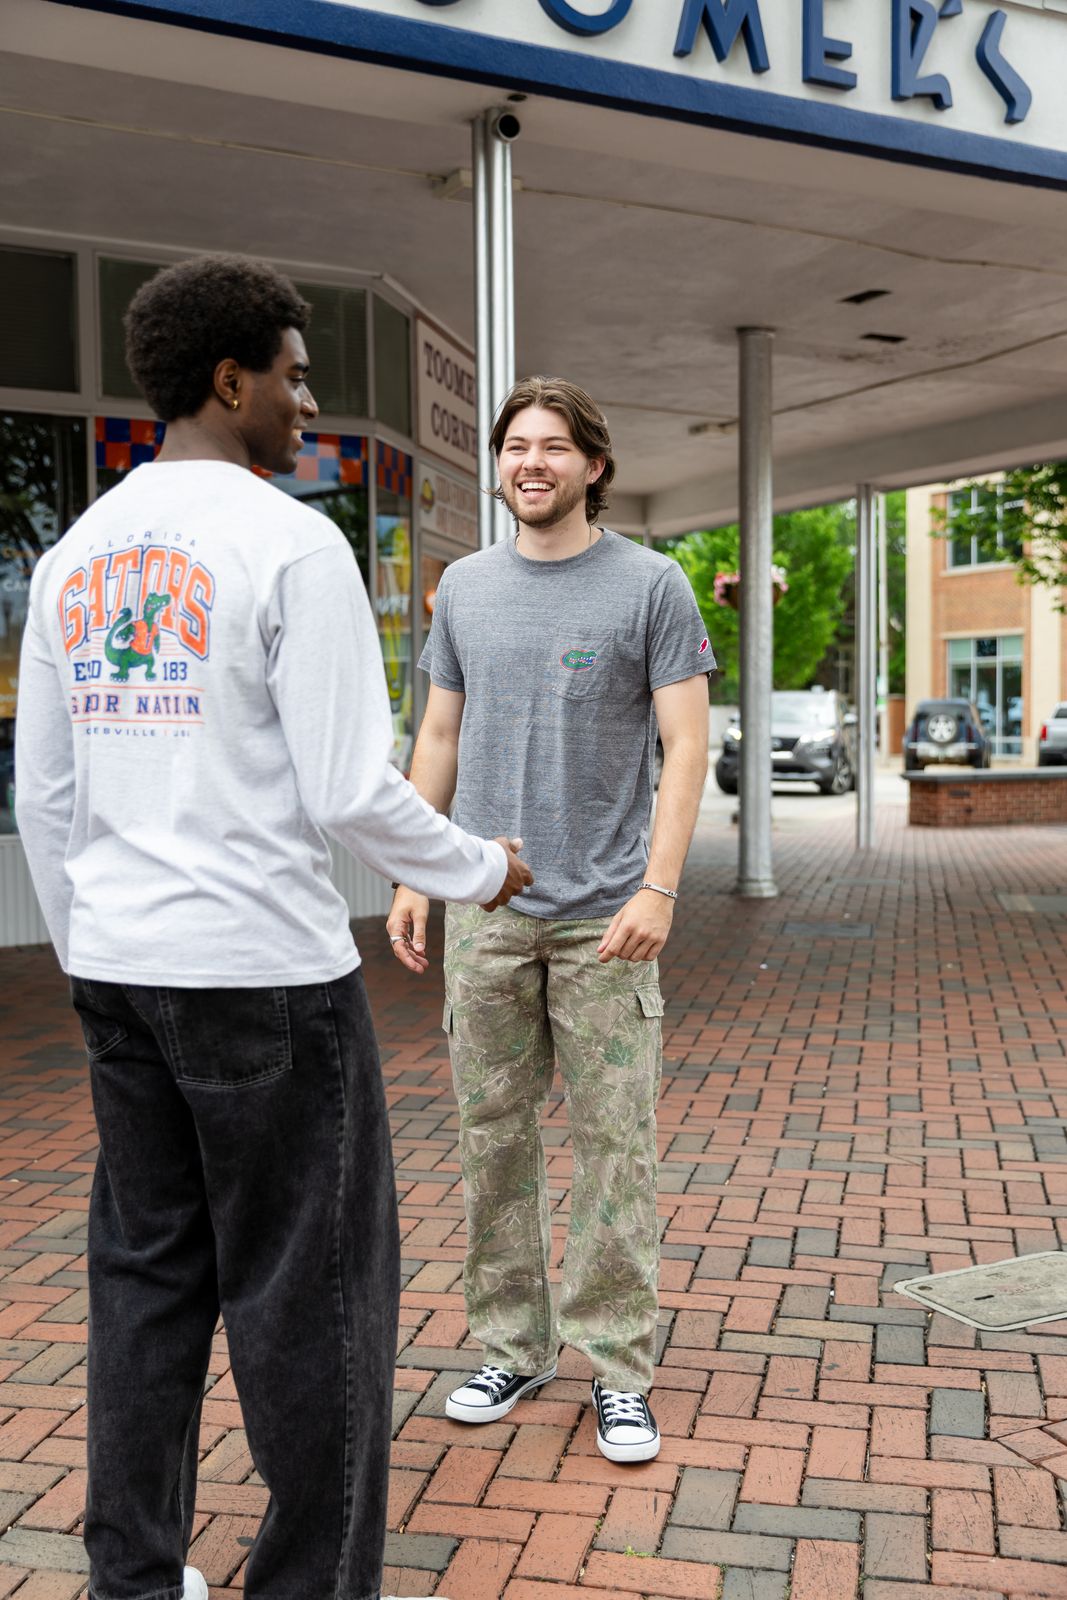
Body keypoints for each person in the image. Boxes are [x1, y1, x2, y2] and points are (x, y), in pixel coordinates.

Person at [15, 253, 532, 1600]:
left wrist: (96, 953)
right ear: (228, 379)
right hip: (261, 979)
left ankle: (134, 1576)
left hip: (125, 972)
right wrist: (481, 868)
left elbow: (47, 794)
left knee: (145, 1281)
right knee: (312, 1304)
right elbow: (349, 786)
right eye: (295, 376)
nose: (306, 404)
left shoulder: (76, 555)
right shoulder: (291, 541)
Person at [387, 376, 712, 1464]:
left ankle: (617, 1365)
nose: (530, 463)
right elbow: (437, 737)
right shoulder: (463, 591)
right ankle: (510, 1344)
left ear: (594, 465)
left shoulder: (651, 586)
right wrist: (409, 869)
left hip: (603, 919)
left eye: (553, 447)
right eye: (514, 446)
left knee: (615, 1141)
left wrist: (658, 887)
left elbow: (685, 750)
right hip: (485, 910)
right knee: (491, 1133)